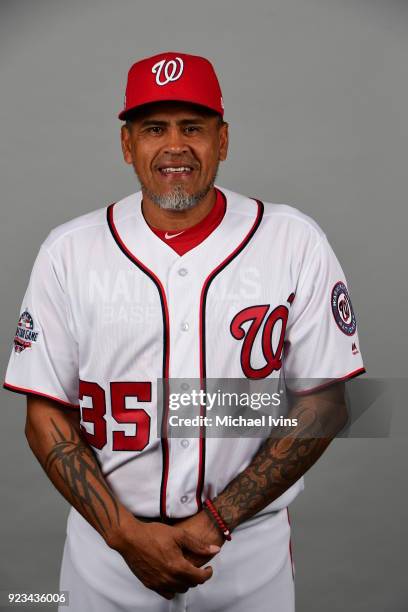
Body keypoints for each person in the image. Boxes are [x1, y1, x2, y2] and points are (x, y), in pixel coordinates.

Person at [3, 51, 366, 611]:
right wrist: (126, 537)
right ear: (128, 145)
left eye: (193, 127)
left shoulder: (294, 241)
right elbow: (44, 415)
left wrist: (217, 520)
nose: (175, 146)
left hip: (247, 553)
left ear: (223, 140)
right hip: (106, 556)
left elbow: (327, 402)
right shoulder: (68, 252)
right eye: (154, 128)